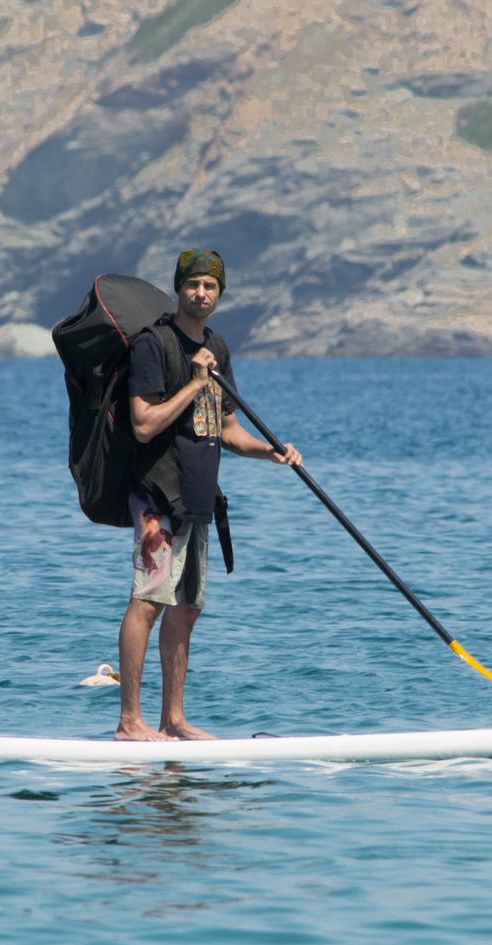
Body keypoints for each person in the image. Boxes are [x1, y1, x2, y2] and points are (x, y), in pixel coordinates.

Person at [116, 248, 302, 741]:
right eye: (194, 284)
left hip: (200, 497)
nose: (202, 293)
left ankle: (172, 720)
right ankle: (129, 723)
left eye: (211, 286)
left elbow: (228, 429)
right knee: (149, 601)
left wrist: (272, 451)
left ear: (220, 293)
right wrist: (196, 382)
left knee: (186, 609)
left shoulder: (216, 345)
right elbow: (143, 424)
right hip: (159, 495)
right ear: (179, 288)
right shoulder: (153, 346)